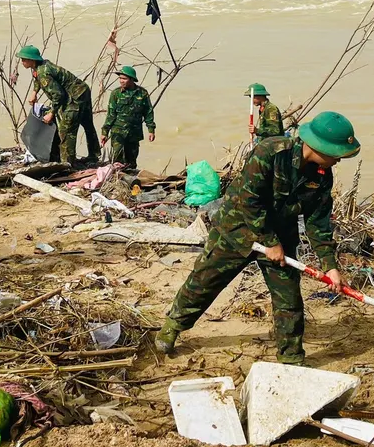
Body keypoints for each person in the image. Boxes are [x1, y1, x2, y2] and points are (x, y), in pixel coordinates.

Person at [156, 111, 360, 365]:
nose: (338, 160)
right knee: (204, 282)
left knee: (289, 300)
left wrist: (330, 265)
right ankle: (173, 325)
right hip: (237, 230)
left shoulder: (322, 177)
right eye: (336, 154)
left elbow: (318, 222)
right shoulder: (270, 152)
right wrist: (269, 242)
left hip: (280, 239)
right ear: (320, 146)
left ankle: (291, 357)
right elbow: (250, 200)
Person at [17, 45, 100, 165]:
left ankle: (69, 164)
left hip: (75, 98)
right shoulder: (41, 65)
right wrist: (34, 92)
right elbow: (37, 78)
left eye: (24, 59)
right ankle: (94, 155)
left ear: (32, 60)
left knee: (66, 130)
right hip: (82, 91)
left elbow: (58, 95)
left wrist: (51, 113)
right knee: (88, 125)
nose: (22, 62)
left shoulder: (43, 73)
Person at [99, 66, 155, 170]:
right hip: (118, 132)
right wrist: (104, 132)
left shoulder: (142, 93)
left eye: (124, 79)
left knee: (131, 162)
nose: (121, 81)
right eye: (120, 78)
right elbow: (111, 114)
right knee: (117, 160)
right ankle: (116, 178)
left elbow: (148, 112)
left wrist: (151, 130)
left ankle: (130, 177)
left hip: (134, 133)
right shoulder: (116, 93)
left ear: (132, 79)